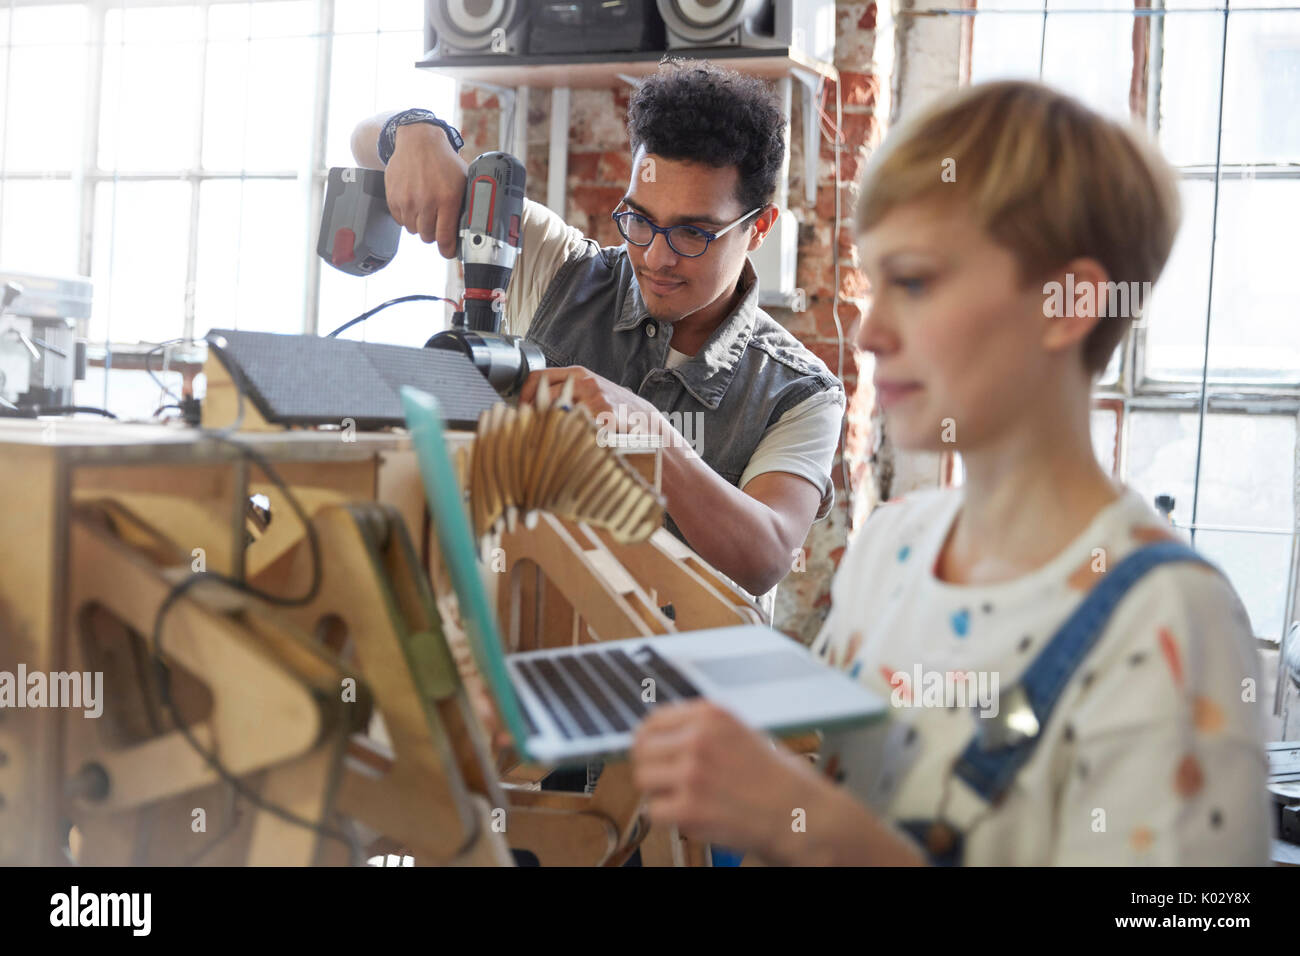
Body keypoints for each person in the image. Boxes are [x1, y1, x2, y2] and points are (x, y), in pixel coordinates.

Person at [629, 80, 1272, 865]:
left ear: (1068, 307)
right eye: (874, 284)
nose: (869, 331)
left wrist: (825, 833)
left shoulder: (1171, 621)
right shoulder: (892, 549)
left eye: (918, 282)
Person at [351, 59, 845, 613]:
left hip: (689, 681)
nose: (655, 257)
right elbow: (365, 139)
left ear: (758, 228)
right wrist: (415, 130)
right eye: (639, 220)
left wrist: (650, 435)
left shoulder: (799, 392)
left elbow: (766, 555)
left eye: (692, 233)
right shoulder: (558, 268)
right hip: (523, 644)